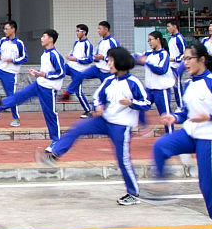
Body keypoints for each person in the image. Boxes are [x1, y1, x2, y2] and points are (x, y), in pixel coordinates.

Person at [37, 47, 150, 206]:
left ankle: (133, 193)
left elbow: (146, 103)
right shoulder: (110, 81)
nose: (108, 64)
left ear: (120, 62)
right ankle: (54, 154)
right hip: (105, 121)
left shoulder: (133, 82)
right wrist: (98, 106)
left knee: (122, 159)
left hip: (122, 126)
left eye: (111, 61)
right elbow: (98, 96)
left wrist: (131, 103)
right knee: (78, 128)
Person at [153, 42, 212, 229]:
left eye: (189, 58)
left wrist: (210, 117)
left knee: (207, 183)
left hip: (210, 137)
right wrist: (175, 117)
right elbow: (185, 111)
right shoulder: (189, 84)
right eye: (184, 59)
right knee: (161, 145)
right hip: (191, 132)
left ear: (202, 59)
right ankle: (162, 188)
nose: (185, 63)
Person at [0, 29, 64, 143]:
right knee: (18, 96)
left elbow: (61, 73)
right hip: (39, 84)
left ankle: (56, 141)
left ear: (51, 39)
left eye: (44, 36)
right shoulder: (45, 53)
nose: (41, 39)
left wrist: (44, 74)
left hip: (49, 89)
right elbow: (46, 71)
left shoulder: (55, 55)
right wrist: (37, 73)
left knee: (50, 114)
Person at [65, 21, 119, 117]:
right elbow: (93, 56)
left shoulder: (112, 42)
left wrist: (103, 58)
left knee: (105, 92)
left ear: (106, 29)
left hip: (108, 72)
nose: (98, 31)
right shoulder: (100, 42)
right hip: (97, 68)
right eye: (98, 29)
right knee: (80, 75)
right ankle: (68, 92)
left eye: (100, 29)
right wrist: (96, 57)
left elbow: (117, 57)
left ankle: (102, 112)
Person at [0, 20, 28, 126]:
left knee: (11, 96)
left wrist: (13, 60)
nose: (4, 31)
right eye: (4, 29)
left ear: (13, 29)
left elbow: (24, 57)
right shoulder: (3, 41)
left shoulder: (19, 43)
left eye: (6, 29)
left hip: (9, 73)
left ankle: (16, 118)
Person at [136, 31, 175, 134]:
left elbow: (161, 70)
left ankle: (170, 136)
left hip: (161, 90)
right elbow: (137, 58)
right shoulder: (148, 53)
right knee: (140, 105)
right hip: (149, 89)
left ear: (158, 40)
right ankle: (145, 127)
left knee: (166, 115)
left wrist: (147, 62)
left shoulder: (164, 54)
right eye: (148, 41)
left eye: (151, 40)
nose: (149, 42)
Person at [57, 24, 93, 104]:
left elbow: (89, 59)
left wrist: (76, 59)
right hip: (70, 66)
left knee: (78, 92)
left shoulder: (87, 44)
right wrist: (70, 56)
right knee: (59, 68)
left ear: (84, 32)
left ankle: (87, 109)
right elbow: (73, 53)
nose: (77, 33)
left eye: (78, 31)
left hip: (79, 69)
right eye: (76, 31)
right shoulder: (76, 42)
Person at [166, 20, 188, 107]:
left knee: (177, 86)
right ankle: (180, 105)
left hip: (178, 66)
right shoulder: (172, 39)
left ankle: (181, 106)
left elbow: (185, 53)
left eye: (169, 26)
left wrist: (175, 59)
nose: (167, 28)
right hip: (172, 66)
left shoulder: (179, 38)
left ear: (175, 26)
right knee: (174, 86)